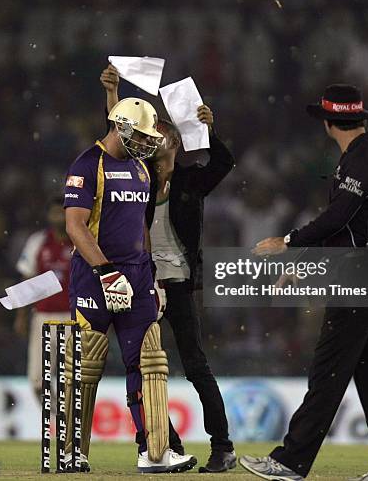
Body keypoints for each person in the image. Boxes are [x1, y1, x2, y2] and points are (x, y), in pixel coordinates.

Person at [240, 84, 368, 481]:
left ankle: (291, 460)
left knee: (329, 369)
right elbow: (343, 227)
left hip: (360, 273)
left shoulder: (361, 160)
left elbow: (337, 219)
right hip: (364, 270)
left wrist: (287, 242)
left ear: (328, 122)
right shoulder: (364, 156)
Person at [102, 64, 237, 473]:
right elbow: (116, 144)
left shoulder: (190, 182)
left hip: (176, 285)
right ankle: (164, 443)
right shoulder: (137, 176)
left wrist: (210, 129)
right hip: (144, 285)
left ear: (174, 141)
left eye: (159, 132)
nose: (151, 137)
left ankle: (223, 447)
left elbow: (224, 163)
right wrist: (112, 95)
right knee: (142, 368)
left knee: (195, 365)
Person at [63, 97, 196, 474]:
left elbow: (141, 227)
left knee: (150, 361)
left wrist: (152, 276)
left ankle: (154, 452)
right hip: (95, 277)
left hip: (137, 278)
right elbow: (75, 226)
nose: (145, 142)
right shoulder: (88, 164)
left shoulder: (140, 168)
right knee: (85, 364)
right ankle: (72, 450)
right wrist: (106, 271)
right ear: (119, 126)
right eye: (138, 134)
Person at [14, 196, 72, 402]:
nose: (59, 216)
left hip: (73, 318)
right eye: (55, 212)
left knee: (72, 378)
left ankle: (68, 422)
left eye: (62, 212)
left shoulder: (80, 240)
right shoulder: (37, 241)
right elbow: (27, 277)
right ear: (48, 215)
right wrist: (21, 316)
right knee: (37, 379)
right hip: (43, 317)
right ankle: (56, 417)